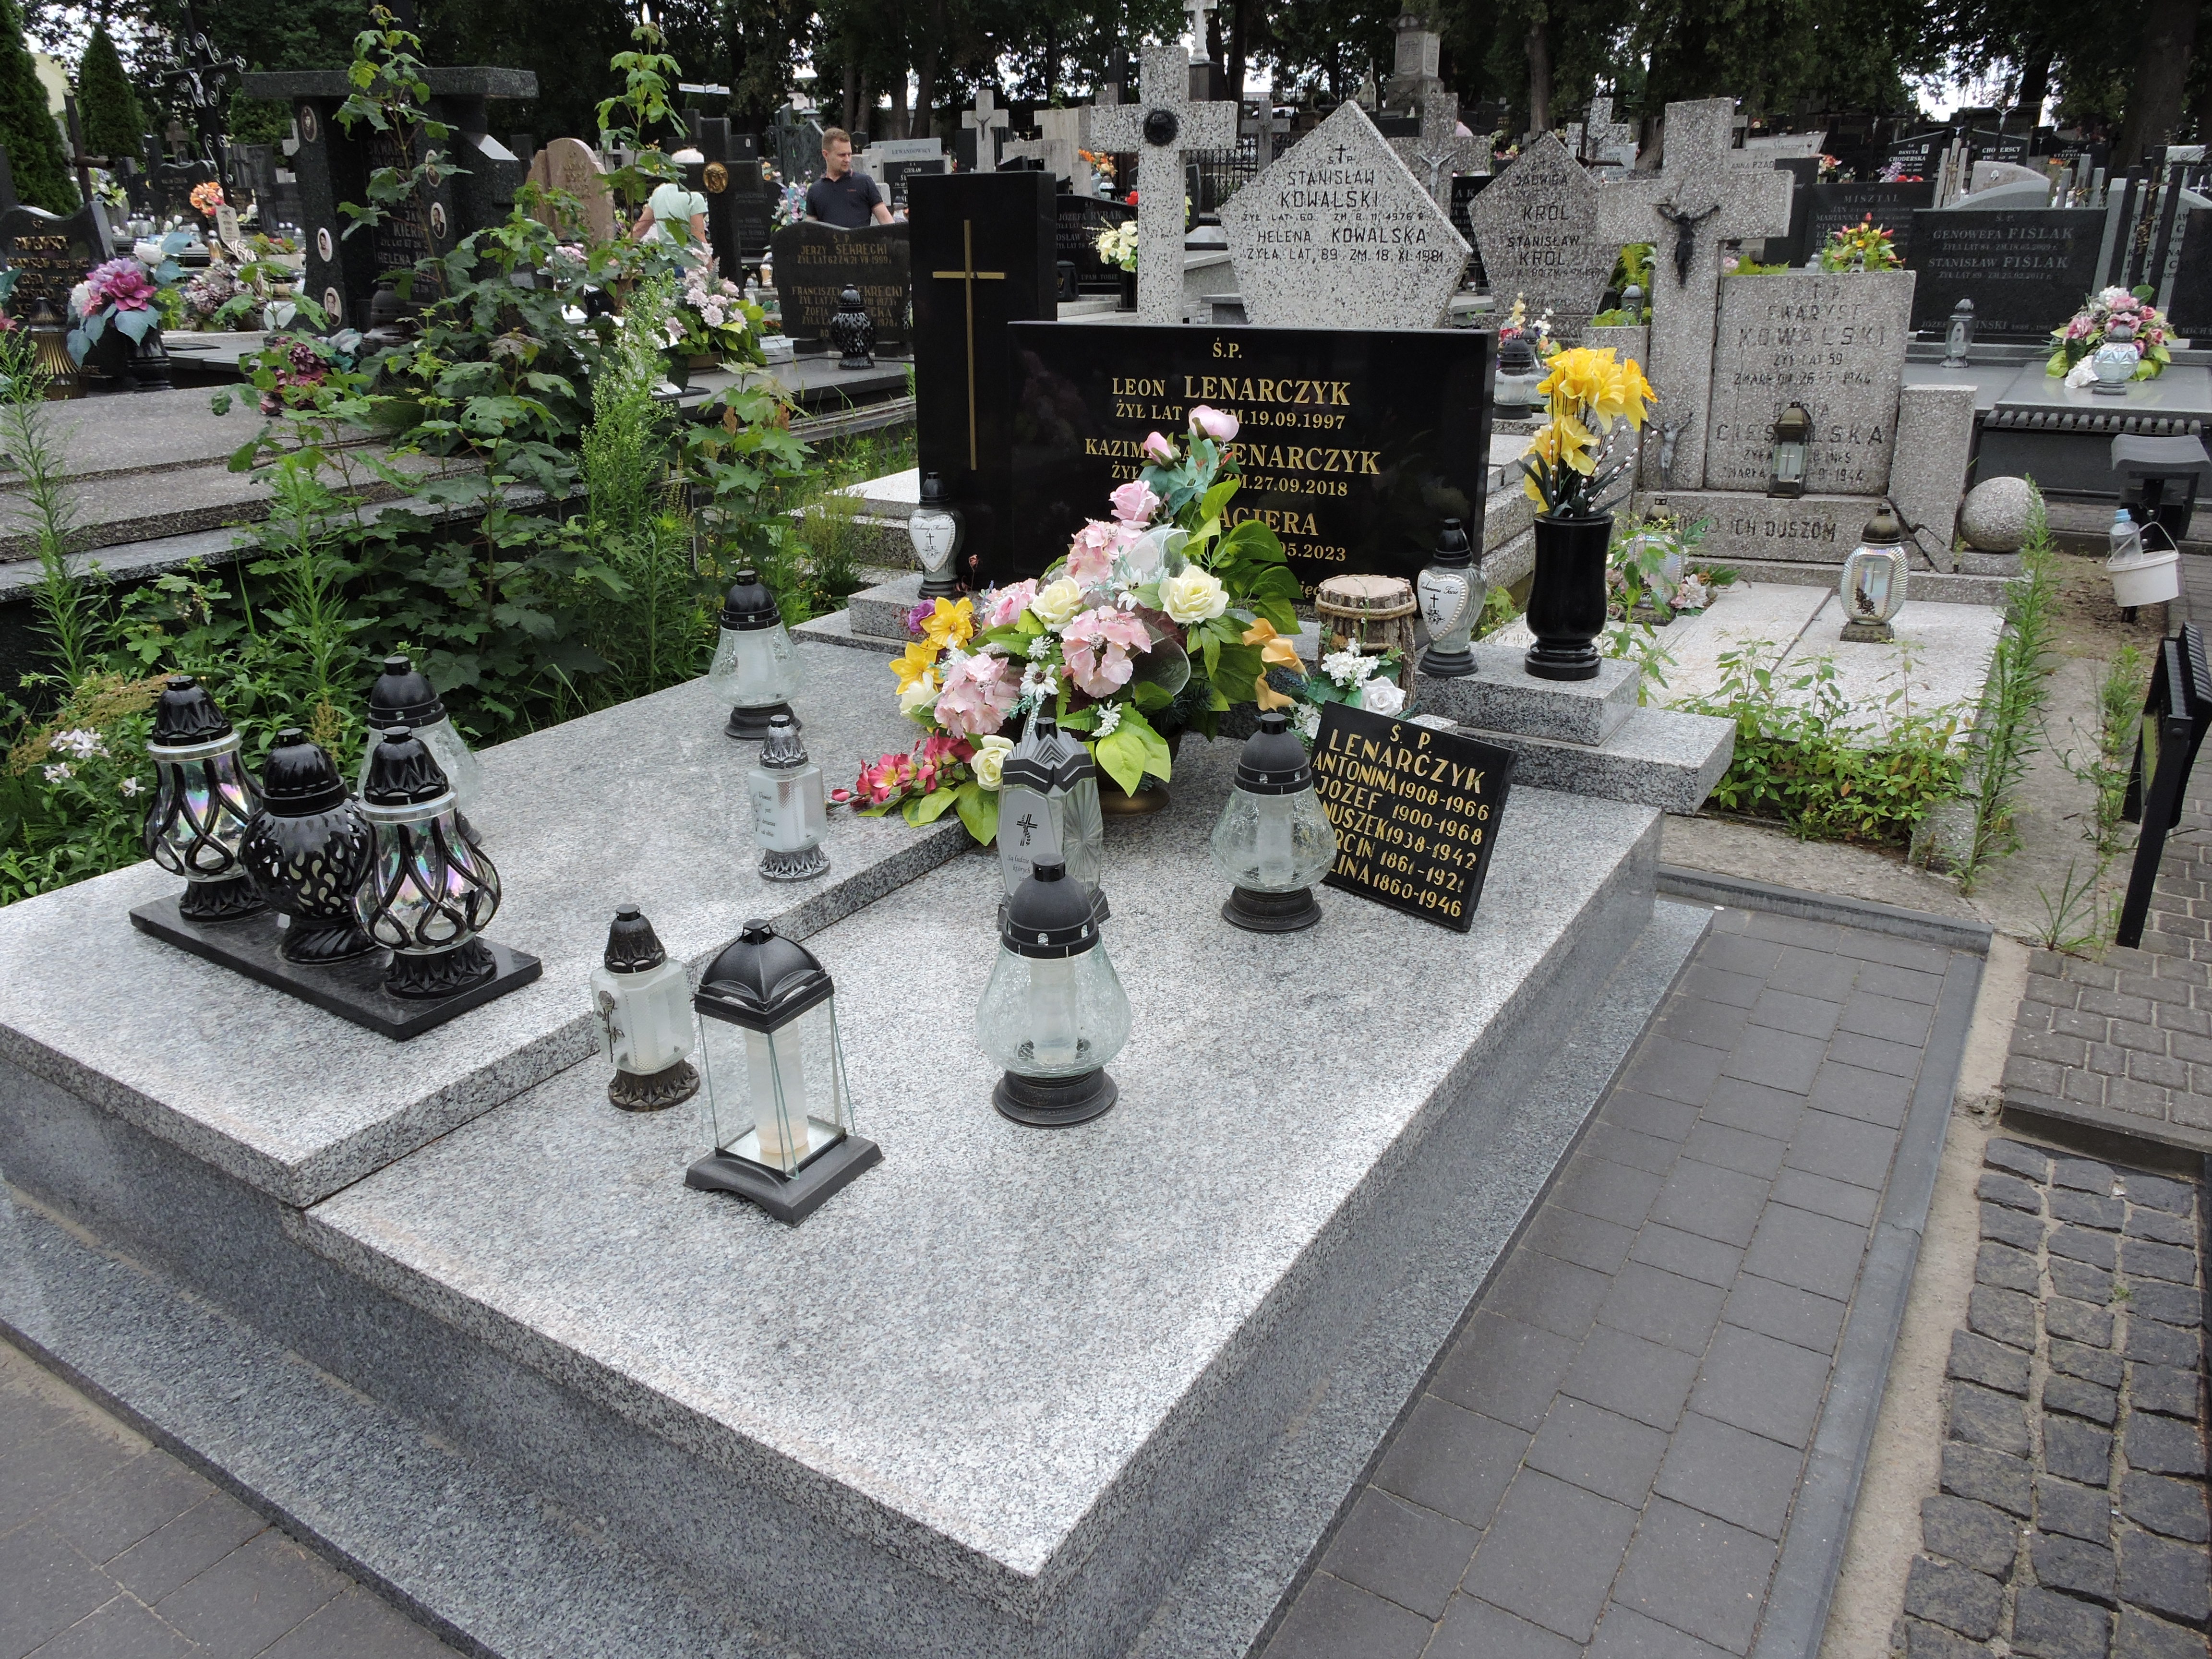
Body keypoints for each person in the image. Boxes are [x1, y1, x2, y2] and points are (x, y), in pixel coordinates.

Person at [629, 151, 711, 265]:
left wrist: (615, 259)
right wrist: (713, 272)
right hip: (688, 264)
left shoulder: (660, 192)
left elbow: (639, 228)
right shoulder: (695, 198)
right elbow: (699, 241)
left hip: (664, 263)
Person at [805, 128, 894, 228]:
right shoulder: (815, 190)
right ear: (826, 154)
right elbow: (809, 230)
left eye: (849, 154)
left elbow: (887, 221)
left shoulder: (864, 183)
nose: (847, 160)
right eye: (842, 155)